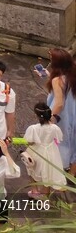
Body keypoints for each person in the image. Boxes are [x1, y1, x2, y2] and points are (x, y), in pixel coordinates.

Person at [40, 47, 76, 176]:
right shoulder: (72, 73)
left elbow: (59, 103)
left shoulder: (57, 80)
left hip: (63, 117)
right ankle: (71, 176)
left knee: (61, 143)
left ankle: (58, 173)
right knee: (74, 143)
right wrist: (48, 75)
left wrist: (50, 119)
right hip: (74, 113)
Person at [21, 102, 66, 196]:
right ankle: (45, 198)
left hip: (36, 151)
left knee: (32, 170)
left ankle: (34, 191)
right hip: (50, 152)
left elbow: (30, 142)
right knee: (47, 174)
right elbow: (59, 138)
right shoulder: (55, 128)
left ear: (36, 115)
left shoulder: (33, 128)